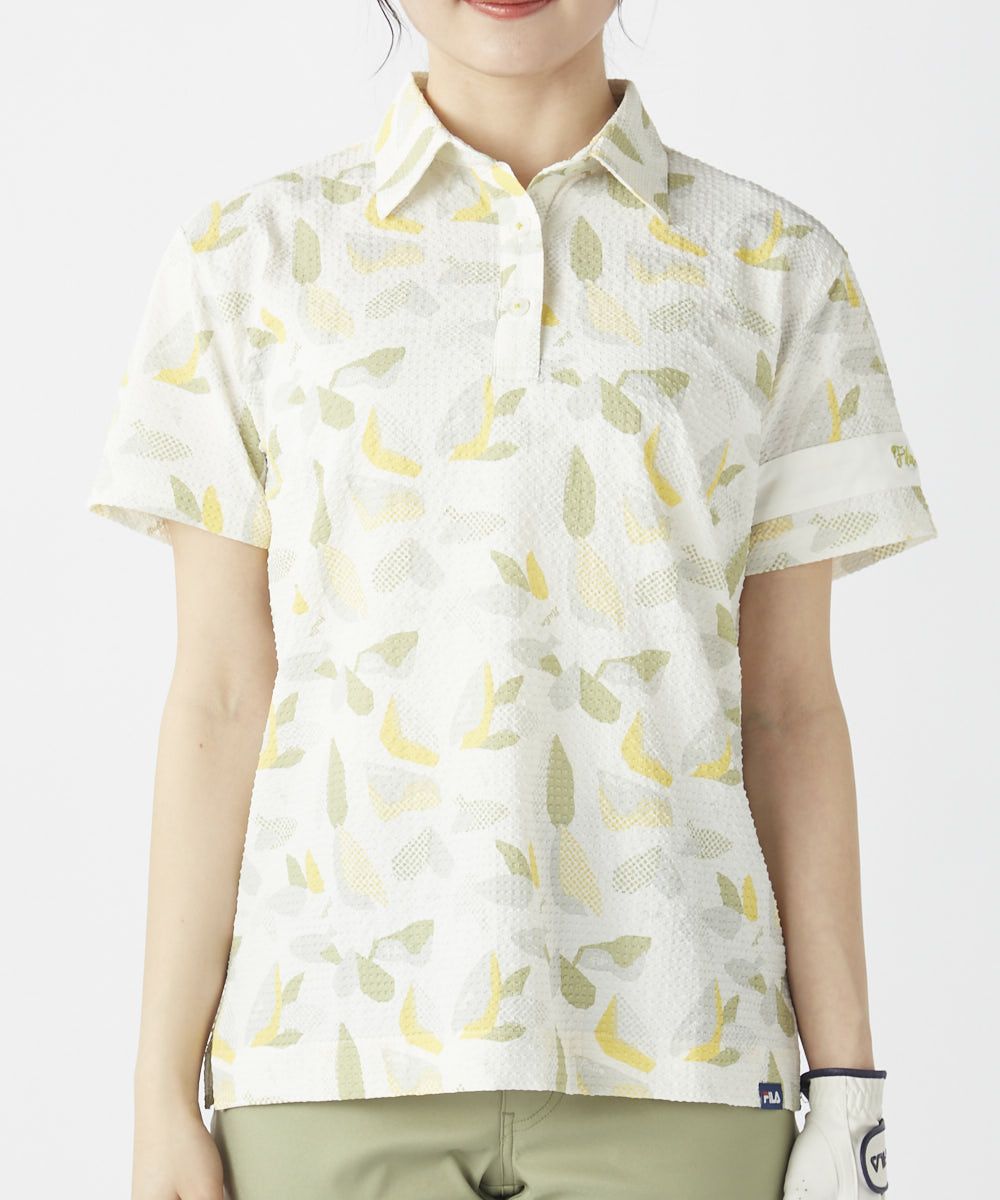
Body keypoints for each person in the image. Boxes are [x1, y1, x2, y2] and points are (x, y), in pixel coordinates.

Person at [87, 2, 937, 1197]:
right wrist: (156, 1091)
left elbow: (789, 710)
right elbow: (222, 698)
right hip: (323, 1055)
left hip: (681, 1057)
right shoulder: (244, 259)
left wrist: (849, 1095)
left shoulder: (778, 267)